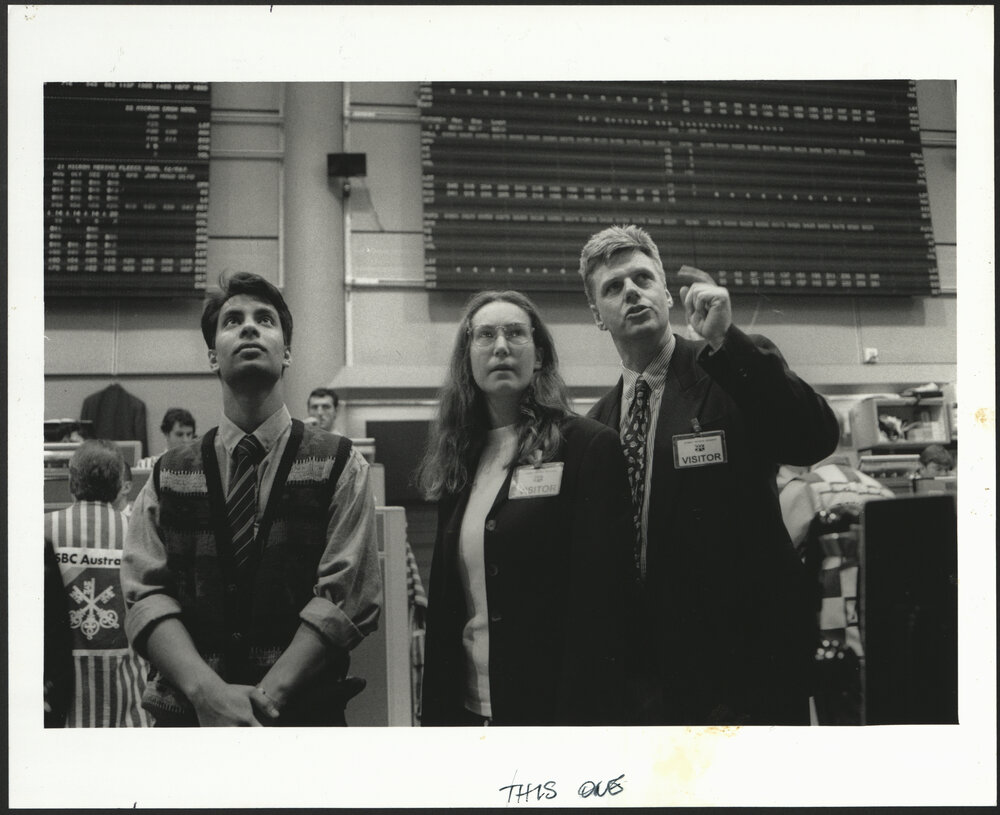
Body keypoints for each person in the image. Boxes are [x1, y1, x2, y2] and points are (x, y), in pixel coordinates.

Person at [579, 225, 840, 725]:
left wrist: (728, 340)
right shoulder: (596, 425)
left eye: (643, 278)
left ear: (667, 295)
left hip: (745, 667)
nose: (631, 291)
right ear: (596, 315)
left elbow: (813, 439)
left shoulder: (727, 367)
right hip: (648, 675)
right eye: (613, 287)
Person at [121, 272, 381, 726]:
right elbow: (147, 596)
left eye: (264, 319)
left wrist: (259, 700)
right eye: (232, 321)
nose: (248, 327)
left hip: (302, 723)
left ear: (287, 353)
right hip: (190, 724)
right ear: (211, 357)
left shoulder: (340, 463)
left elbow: (346, 598)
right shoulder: (167, 474)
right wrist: (210, 695)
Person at [418, 290, 634, 726]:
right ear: (468, 358)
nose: (501, 346)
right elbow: (448, 607)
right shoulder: (457, 460)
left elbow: (603, 605)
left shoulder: (588, 448)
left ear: (538, 356)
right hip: (467, 712)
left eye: (515, 333)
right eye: (486, 335)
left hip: (554, 712)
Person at [44, 439, 152, 726]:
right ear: (120, 486)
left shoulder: (42, 530)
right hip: (128, 701)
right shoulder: (139, 533)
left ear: (71, 481)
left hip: (61, 707)